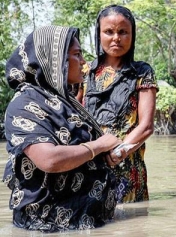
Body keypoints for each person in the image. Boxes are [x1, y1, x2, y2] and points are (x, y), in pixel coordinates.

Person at [3, 26, 125, 232]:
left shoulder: (63, 101)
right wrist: (98, 145)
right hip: (49, 226)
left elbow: (78, 149)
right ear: (54, 60)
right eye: (77, 55)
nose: (84, 63)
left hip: (84, 221)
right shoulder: (24, 104)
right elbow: (49, 159)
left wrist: (106, 154)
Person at [81, 5, 158, 203]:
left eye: (123, 32)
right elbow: (75, 115)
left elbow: (146, 126)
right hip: (90, 162)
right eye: (109, 32)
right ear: (99, 35)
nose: (116, 38)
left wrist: (119, 151)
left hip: (127, 163)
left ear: (132, 36)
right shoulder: (85, 72)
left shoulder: (142, 72)